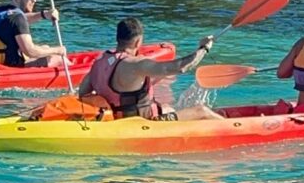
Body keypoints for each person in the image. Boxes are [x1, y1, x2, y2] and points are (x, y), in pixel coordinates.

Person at [79, 18, 223, 121]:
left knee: (167, 108)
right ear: (138, 41)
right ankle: (235, 127)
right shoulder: (136, 64)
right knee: (201, 110)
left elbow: (83, 93)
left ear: (118, 38)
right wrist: (203, 48)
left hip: (115, 119)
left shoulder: (100, 61)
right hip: (142, 123)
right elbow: (181, 67)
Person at [0, 0, 67, 67]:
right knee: (58, 58)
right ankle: (76, 75)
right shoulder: (17, 18)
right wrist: (58, 50)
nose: (34, 0)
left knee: (46, 47)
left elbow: (19, 21)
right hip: (9, 67)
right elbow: (30, 51)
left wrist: (44, 14)